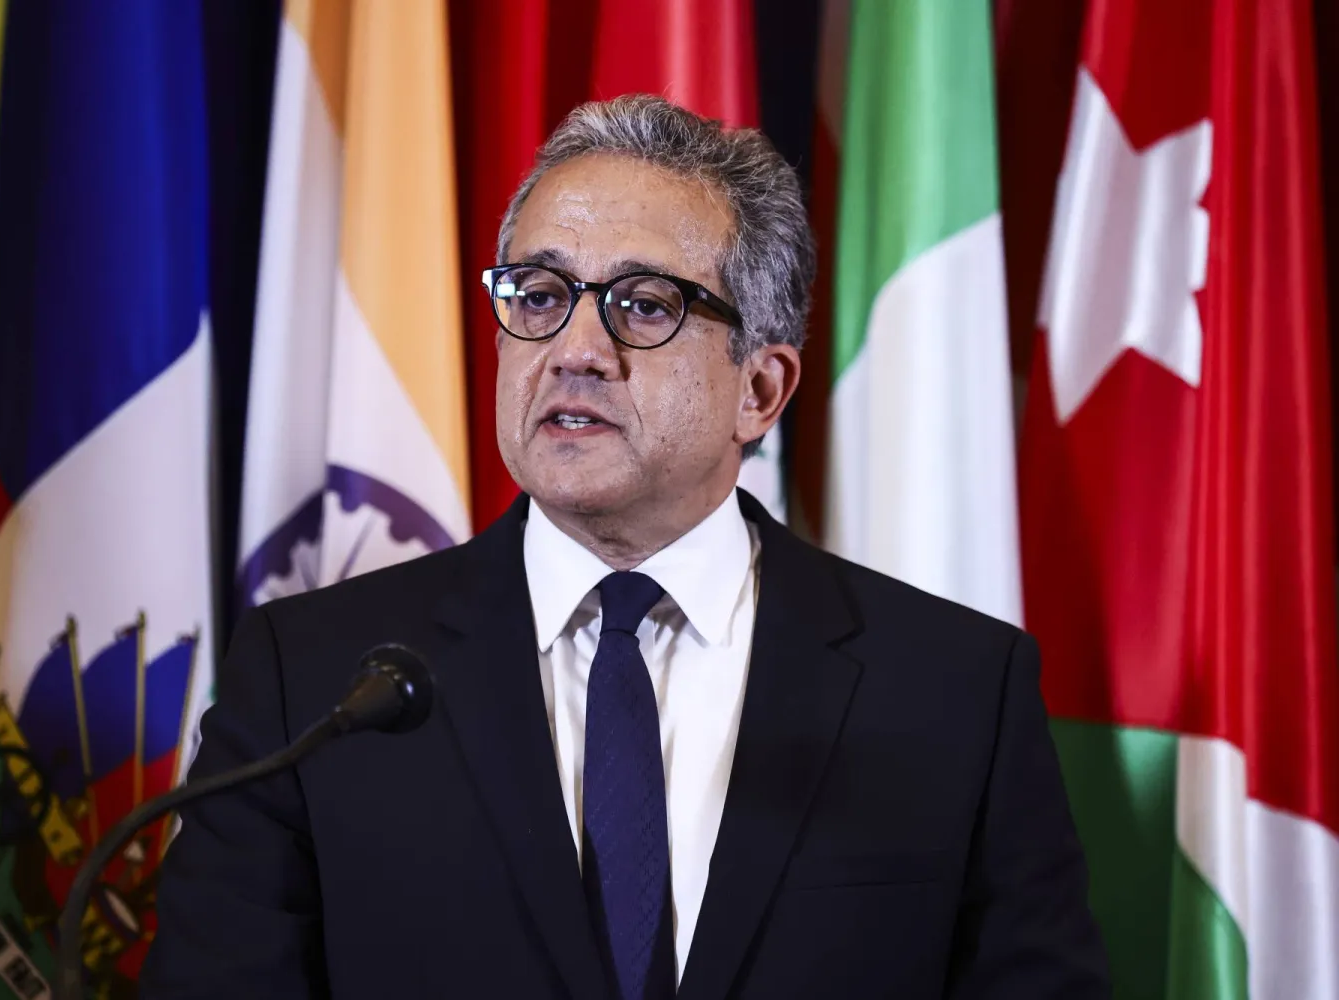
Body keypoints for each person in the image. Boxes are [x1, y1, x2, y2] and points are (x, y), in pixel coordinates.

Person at [143, 95, 1110, 999]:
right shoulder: (314, 683)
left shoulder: (953, 691)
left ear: (760, 390)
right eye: (539, 294)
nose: (574, 350)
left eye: (644, 305)